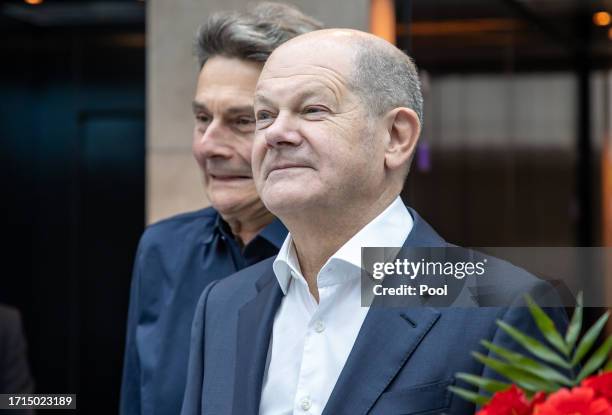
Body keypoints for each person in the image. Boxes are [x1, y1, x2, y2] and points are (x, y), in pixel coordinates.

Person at [181, 29, 567, 415]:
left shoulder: (502, 308)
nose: (276, 133)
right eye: (264, 115)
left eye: (312, 109)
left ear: (396, 137)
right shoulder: (222, 305)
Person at [119, 5, 322, 415]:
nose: (208, 146)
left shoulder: (377, 262)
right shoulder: (163, 249)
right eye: (201, 118)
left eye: (244, 120)